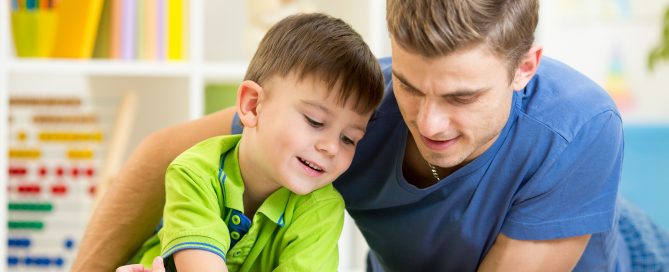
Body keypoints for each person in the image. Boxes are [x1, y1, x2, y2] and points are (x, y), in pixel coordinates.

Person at [75, 1, 669, 271]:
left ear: (525, 68)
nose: (428, 122)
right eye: (411, 85)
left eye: (462, 97)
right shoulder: (354, 113)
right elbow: (163, 154)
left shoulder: (580, 126)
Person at [113, 13, 384, 271]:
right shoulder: (194, 173)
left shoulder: (322, 209)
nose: (331, 147)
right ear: (253, 106)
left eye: (349, 138)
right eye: (315, 121)